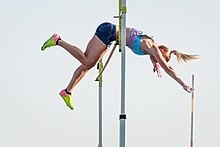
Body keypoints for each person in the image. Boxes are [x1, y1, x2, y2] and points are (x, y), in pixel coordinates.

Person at [41, 22, 198, 110]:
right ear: (162, 50)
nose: (158, 60)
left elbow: (154, 58)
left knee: (88, 64)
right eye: (161, 58)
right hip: (108, 31)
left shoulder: (152, 49)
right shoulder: (152, 47)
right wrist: (183, 84)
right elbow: (167, 68)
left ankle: (67, 92)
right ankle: (58, 40)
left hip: (111, 37)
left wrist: (155, 63)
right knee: (87, 61)